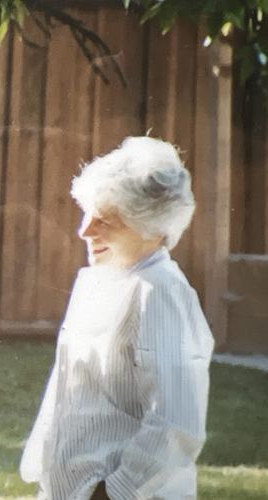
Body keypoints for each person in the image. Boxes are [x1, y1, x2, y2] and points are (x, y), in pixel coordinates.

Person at [19, 137, 214, 499]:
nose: (85, 231)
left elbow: (177, 420)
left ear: (151, 229)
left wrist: (115, 491)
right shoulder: (99, 281)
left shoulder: (159, 293)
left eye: (106, 220)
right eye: (88, 214)